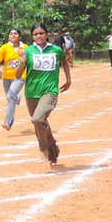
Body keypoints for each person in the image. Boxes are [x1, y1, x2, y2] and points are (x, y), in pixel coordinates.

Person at [16, 23, 71, 167]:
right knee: (38, 123)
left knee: (38, 118)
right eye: (35, 34)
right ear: (32, 36)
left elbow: (64, 60)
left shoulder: (56, 50)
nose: (38, 36)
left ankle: (44, 149)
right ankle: (53, 151)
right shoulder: (28, 52)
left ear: (47, 34)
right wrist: (22, 62)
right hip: (31, 92)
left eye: (41, 33)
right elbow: (17, 75)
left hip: (49, 91)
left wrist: (68, 79)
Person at [0, 28, 27, 131]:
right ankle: (18, 96)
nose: (13, 35)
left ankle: (8, 122)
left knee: (10, 96)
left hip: (20, 77)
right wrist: (0, 69)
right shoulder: (4, 48)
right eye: (11, 34)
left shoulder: (25, 48)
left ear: (19, 37)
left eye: (15, 34)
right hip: (6, 77)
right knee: (11, 97)